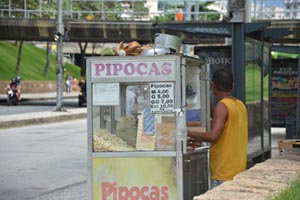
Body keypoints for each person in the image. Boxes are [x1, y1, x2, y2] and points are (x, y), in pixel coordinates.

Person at [187, 68, 248, 189]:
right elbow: (220, 121)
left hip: (223, 171)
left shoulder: (223, 106)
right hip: (238, 169)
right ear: (232, 86)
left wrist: (186, 132)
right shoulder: (240, 105)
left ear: (213, 86)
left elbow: (213, 135)